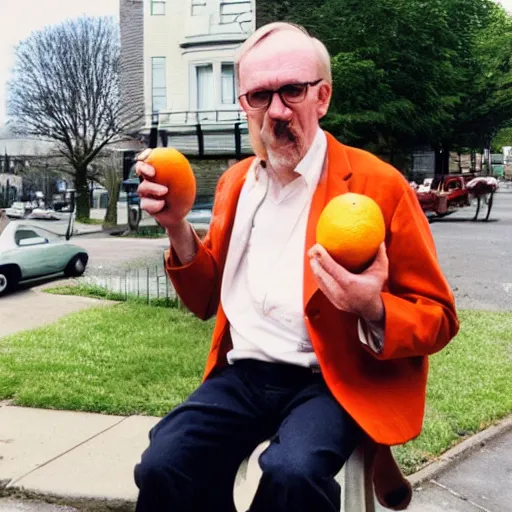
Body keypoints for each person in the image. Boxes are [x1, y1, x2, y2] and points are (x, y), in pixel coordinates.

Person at [133, 22, 459, 512]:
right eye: (259, 96)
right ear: (244, 102)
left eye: (292, 90)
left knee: (293, 474)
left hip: (329, 379)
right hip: (242, 376)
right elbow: (204, 300)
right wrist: (177, 226)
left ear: (322, 96)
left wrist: (371, 307)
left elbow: (439, 317)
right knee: (163, 464)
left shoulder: (378, 187)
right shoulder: (236, 183)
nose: (277, 111)